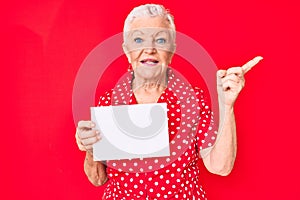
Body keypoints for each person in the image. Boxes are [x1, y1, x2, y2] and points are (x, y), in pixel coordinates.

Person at [75, 4, 262, 199]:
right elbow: (98, 179)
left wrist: (226, 105)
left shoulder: (193, 100)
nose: (149, 49)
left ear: (172, 50)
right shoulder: (108, 102)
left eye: (160, 40)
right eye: (138, 40)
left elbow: (220, 167)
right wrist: (89, 149)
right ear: (127, 50)